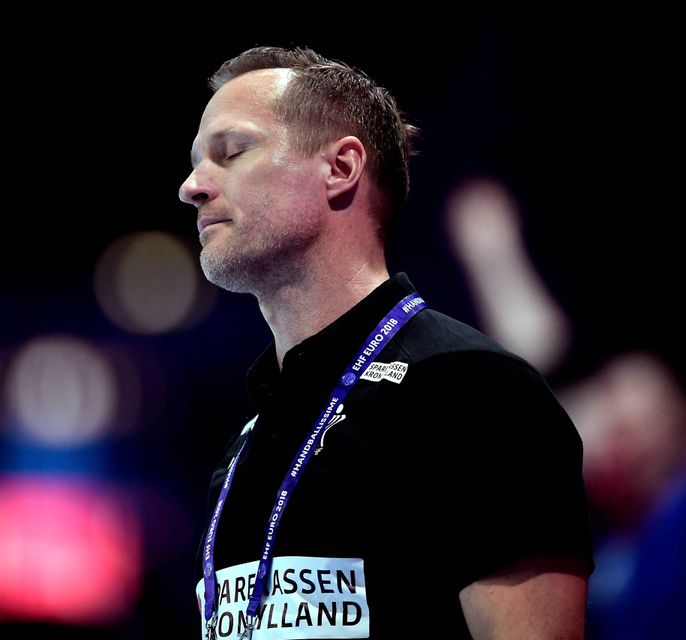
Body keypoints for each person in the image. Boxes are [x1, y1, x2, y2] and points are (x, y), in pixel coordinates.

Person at [177, 45, 594, 640]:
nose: (191, 187)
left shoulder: (471, 390)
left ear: (341, 167)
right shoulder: (246, 441)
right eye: (196, 163)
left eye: (232, 152)